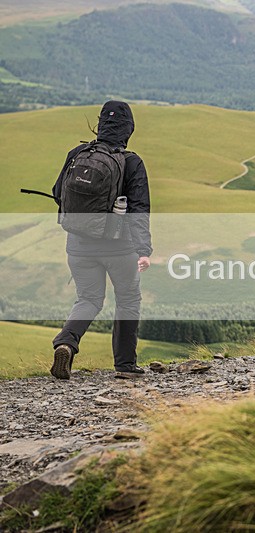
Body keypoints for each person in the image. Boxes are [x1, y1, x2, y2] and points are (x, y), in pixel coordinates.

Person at [50, 100, 152, 380]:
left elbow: (58, 193)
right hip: (119, 248)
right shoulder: (131, 162)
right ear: (128, 129)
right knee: (128, 300)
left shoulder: (77, 154)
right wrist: (144, 250)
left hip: (79, 245)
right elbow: (139, 209)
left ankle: (66, 343)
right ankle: (126, 365)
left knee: (89, 299)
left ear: (100, 125)